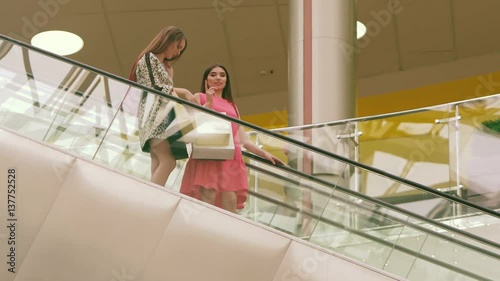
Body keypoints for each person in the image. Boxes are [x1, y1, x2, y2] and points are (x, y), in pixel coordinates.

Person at [180, 64, 284, 213]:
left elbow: (244, 140)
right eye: (213, 75)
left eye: (222, 75)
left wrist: (265, 154)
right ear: (206, 80)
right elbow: (196, 122)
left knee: (230, 201)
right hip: (208, 153)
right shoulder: (199, 97)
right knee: (207, 198)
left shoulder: (232, 106)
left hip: (231, 156)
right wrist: (208, 102)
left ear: (227, 80)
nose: (218, 78)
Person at [129, 26, 197, 187]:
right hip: (156, 115)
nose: (178, 52)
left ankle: (151, 198)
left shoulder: (163, 65)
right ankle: (150, 197)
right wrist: (184, 92)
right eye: (177, 46)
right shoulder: (148, 59)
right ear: (168, 40)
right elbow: (156, 88)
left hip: (158, 114)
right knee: (168, 161)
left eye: (181, 49)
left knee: (158, 160)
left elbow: (162, 88)